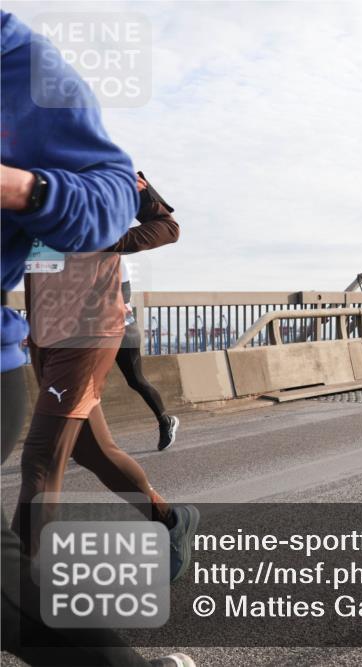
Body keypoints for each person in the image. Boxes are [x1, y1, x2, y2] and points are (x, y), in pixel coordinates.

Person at [0, 10, 195, 666]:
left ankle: (34, 599)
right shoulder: (32, 135)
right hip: (44, 319)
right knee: (90, 447)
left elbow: (166, 226)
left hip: (92, 318)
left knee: (39, 460)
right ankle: (169, 519)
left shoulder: (117, 172)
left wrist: (109, 240)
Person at [111, 173, 181, 451]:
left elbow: (169, 229)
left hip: (117, 308)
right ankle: (85, 442)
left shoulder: (116, 174)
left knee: (135, 378)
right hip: (80, 311)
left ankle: (165, 421)